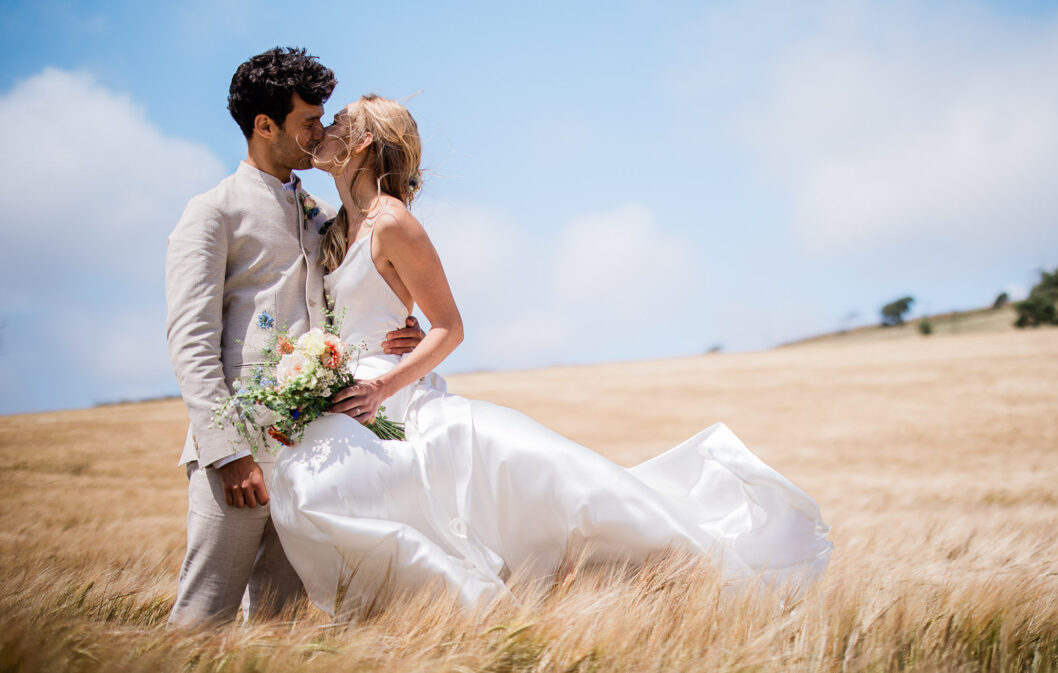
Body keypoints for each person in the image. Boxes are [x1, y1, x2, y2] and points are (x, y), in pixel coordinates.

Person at [266, 95, 833, 617]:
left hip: (393, 397)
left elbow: (450, 326)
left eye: (337, 122)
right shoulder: (334, 227)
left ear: (362, 142)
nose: (323, 130)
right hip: (352, 396)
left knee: (574, 493)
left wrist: (381, 388)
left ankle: (702, 568)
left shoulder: (394, 223)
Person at [164, 49, 424, 627]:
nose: (319, 133)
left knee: (281, 625)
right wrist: (228, 453)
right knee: (203, 615)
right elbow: (191, 341)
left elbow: (364, 281)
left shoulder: (321, 212)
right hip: (237, 451)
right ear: (264, 125)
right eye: (308, 121)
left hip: (312, 451)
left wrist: (405, 327)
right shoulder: (213, 213)